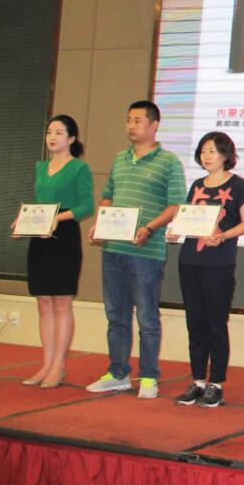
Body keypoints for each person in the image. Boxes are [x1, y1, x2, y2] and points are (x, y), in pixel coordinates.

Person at [86, 101, 186, 400]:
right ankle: (118, 373)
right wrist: (100, 223)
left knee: (146, 315)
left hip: (147, 252)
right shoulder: (120, 159)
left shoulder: (169, 161)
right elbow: (108, 196)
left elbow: (176, 204)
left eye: (138, 120)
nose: (131, 125)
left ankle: (148, 376)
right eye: (128, 120)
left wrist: (150, 228)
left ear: (154, 125)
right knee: (115, 314)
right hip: (113, 248)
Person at [160, 132, 244, 408]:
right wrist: (175, 230)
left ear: (226, 154)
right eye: (203, 151)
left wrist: (223, 236)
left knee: (216, 323)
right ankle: (198, 380)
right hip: (190, 260)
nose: (206, 156)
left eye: (212, 151)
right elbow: (188, 218)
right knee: (195, 323)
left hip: (219, 263)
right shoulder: (197, 185)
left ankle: (217, 384)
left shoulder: (239, 185)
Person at [14, 115, 94, 389]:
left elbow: (86, 207)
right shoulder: (41, 166)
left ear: (71, 138)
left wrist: (56, 218)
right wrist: (23, 221)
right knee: (43, 302)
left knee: (61, 301)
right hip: (41, 237)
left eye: (59, 132)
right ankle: (46, 364)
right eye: (50, 131)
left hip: (64, 236)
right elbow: (39, 204)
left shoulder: (79, 168)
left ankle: (58, 366)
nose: (52, 137)